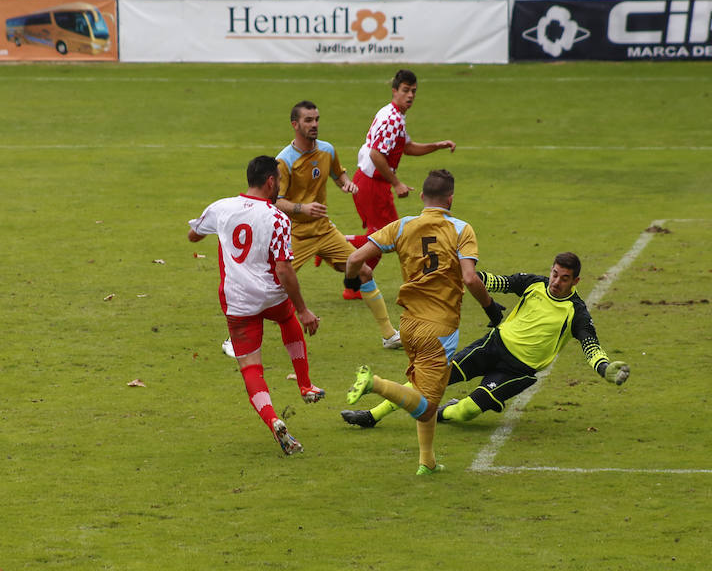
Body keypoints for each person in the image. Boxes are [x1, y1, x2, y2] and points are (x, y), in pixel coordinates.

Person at [341, 252, 630, 429]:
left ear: (575, 282)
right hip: (492, 346)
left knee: (465, 412)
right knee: (431, 378)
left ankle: (440, 412)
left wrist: (604, 367)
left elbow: (590, 344)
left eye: (564, 278)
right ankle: (372, 416)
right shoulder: (534, 283)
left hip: (518, 371)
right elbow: (497, 281)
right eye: (555, 274)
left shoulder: (576, 312)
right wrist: (468, 275)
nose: (556, 281)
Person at [343, 169, 505, 476]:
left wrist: (352, 282)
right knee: (428, 405)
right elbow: (470, 278)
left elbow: (353, 260)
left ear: (422, 198)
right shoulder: (461, 229)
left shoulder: (402, 225)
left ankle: (427, 461)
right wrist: (492, 309)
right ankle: (374, 383)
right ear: (451, 199)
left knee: (425, 392)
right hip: (440, 328)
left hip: (409, 325)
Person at [226, 100, 401, 353]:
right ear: (295, 125)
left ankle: (388, 335)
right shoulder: (283, 162)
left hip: (324, 230)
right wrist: (303, 209)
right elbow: (275, 200)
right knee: (269, 284)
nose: (314, 124)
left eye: (317, 119)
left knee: (364, 271)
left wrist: (346, 184)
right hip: (295, 233)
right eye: (308, 120)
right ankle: (236, 338)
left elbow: (339, 174)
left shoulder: (327, 150)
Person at [188, 156, 323, 456]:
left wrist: (213, 231)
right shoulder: (277, 217)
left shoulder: (221, 208)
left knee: (251, 367)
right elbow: (285, 269)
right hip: (271, 296)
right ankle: (305, 385)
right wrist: (303, 309)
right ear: (271, 181)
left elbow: (193, 235)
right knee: (287, 318)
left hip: (238, 302)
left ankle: (273, 419)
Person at [343, 69, 457, 296]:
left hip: (368, 182)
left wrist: (437, 145)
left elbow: (407, 147)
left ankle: (354, 287)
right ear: (394, 91)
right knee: (390, 236)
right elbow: (377, 154)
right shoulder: (392, 119)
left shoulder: (394, 115)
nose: (410, 95)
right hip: (372, 184)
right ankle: (337, 244)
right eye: (405, 90)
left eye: (413, 91)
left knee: (385, 235)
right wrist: (397, 183)